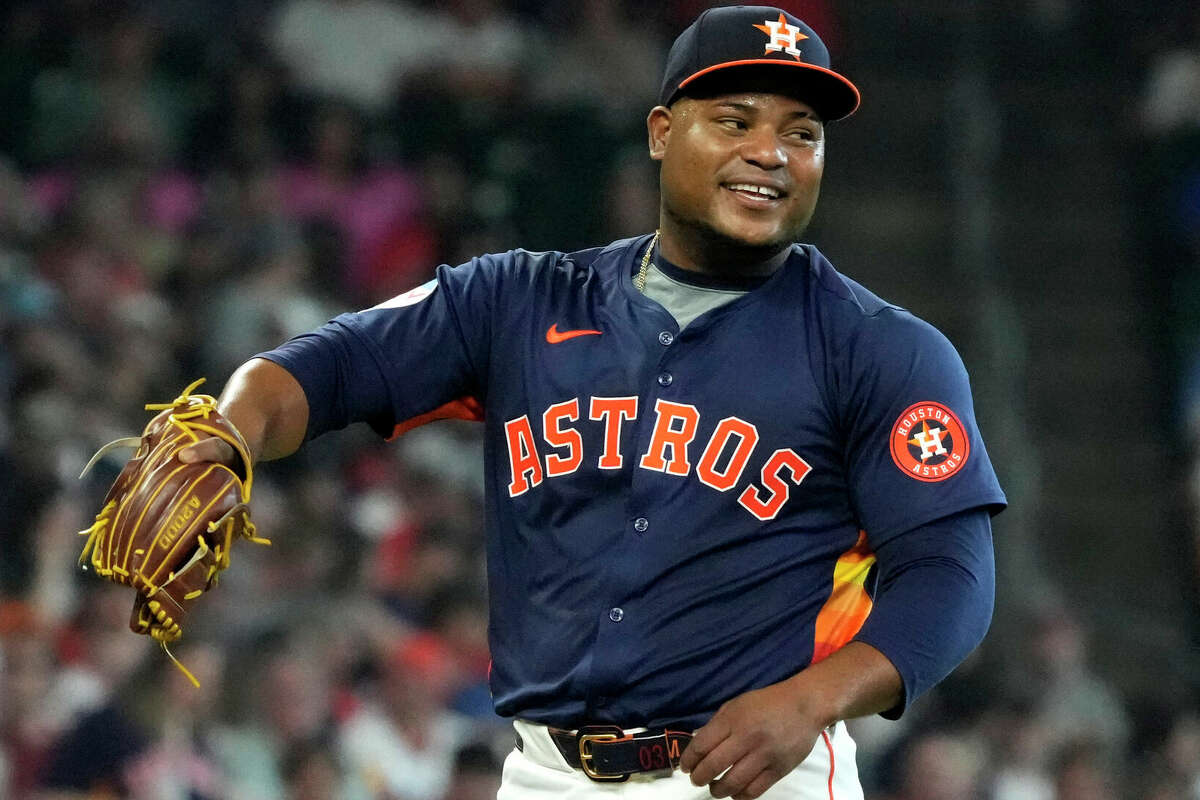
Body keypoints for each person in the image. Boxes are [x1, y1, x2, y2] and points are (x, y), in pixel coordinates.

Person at [178, 6, 1006, 798]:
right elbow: (320, 368)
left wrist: (815, 699)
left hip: (755, 774)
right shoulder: (517, 300)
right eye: (735, 119)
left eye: (802, 134)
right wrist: (225, 438)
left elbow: (951, 577)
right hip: (546, 773)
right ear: (659, 132)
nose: (770, 152)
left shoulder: (881, 348)